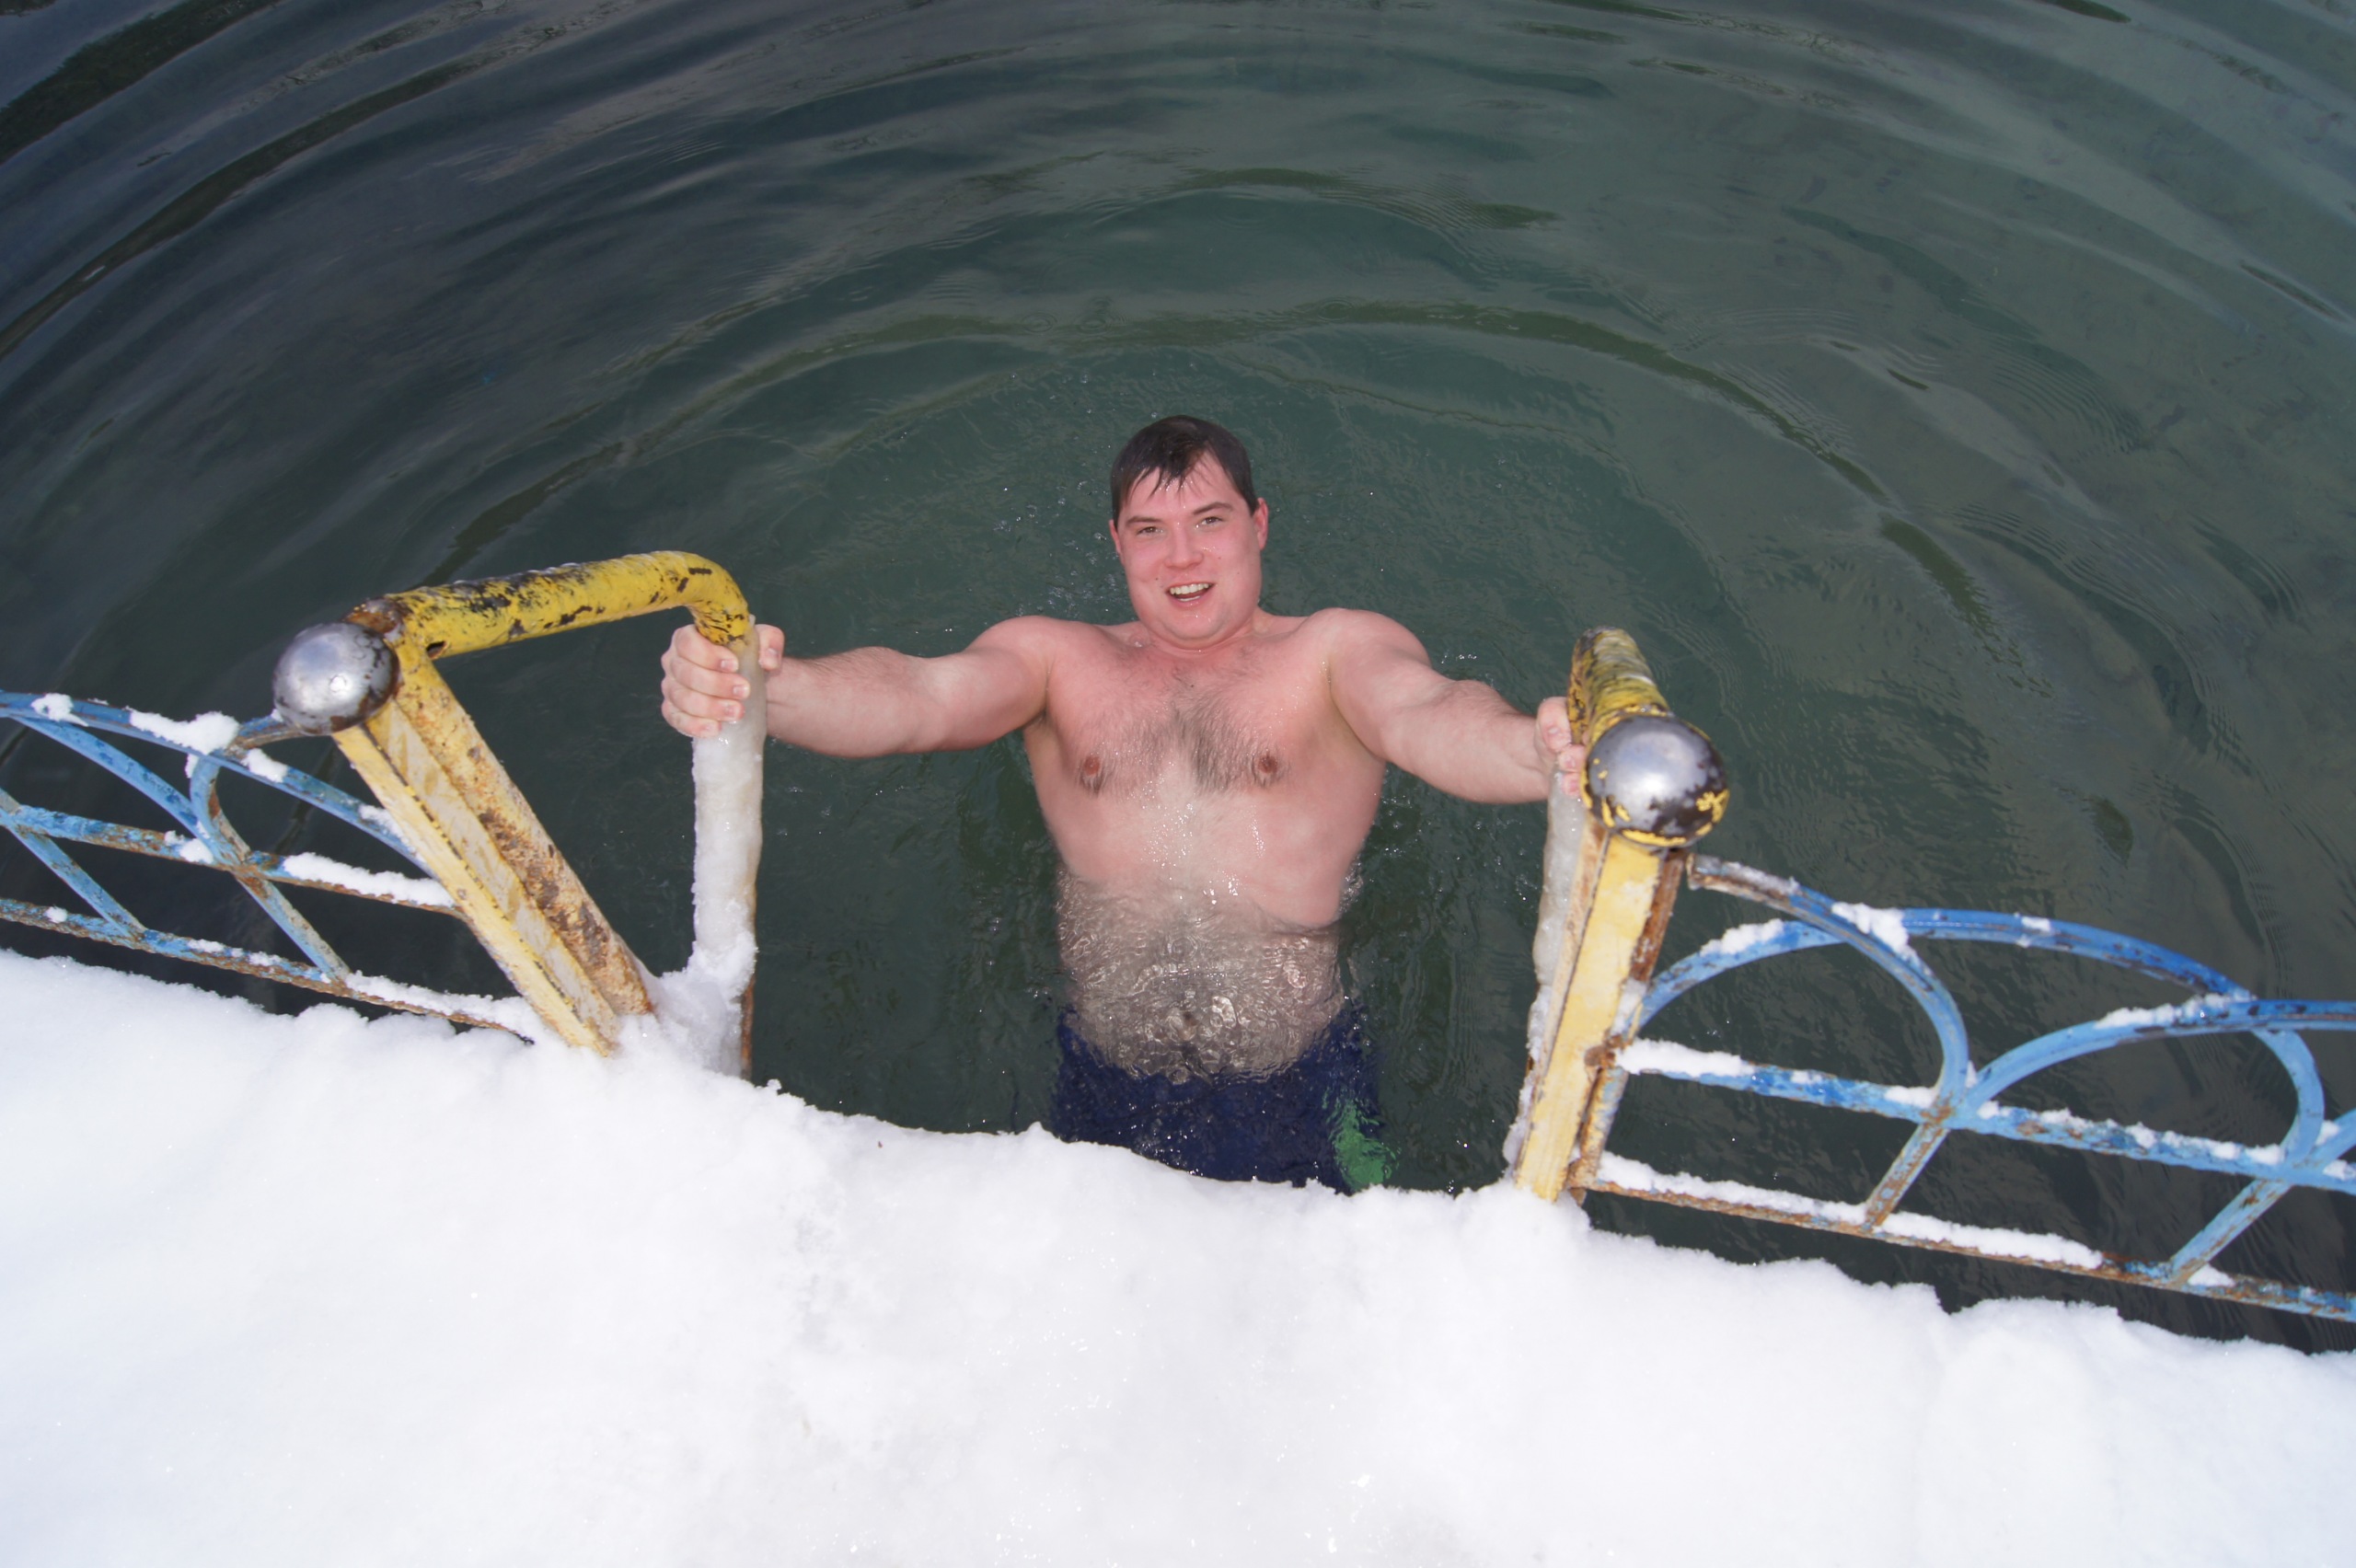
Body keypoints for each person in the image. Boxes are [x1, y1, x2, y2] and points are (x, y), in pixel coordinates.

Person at [660, 416, 1581, 1191]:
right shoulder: (1055, 660)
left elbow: (1428, 715)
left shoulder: (1335, 654)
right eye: (1149, 530)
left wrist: (1540, 753)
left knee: (1360, 1279)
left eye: (1210, 521)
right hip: (1105, 1076)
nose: (1182, 557)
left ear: (1258, 523)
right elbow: (921, 697)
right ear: (1115, 541)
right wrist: (762, 691)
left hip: (1308, 1077)